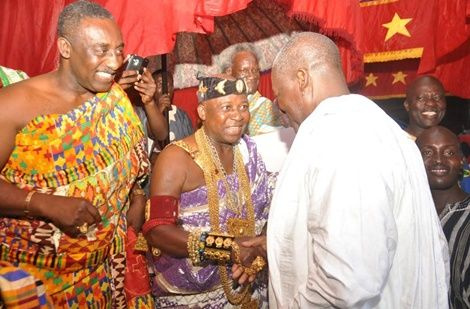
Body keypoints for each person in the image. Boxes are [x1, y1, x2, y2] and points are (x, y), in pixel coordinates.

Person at [254, 32, 449, 308]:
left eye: (280, 97)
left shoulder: (339, 134)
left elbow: (346, 282)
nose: (282, 111)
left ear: (301, 79)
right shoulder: (379, 126)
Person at [0, 1, 153, 307]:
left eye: (119, 50)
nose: (115, 61)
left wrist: (136, 197)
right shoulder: (13, 106)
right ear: (66, 48)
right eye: (101, 50)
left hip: (104, 273)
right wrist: (43, 204)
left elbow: (130, 158)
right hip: (36, 282)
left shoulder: (114, 96)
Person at [142, 75, 273, 308]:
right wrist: (229, 249)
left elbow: (266, 207)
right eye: (226, 107)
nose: (238, 115)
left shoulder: (249, 151)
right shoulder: (175, 159)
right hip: (191, 296)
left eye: (243, 106)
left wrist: (262, 247)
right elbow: (157, 230)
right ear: (202, 112)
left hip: (248, 288)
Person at [416, 126, 470, 308]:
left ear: (462, 160)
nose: (438, 160)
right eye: (427, 153)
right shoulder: (406, 217)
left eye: (449, 152)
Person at [222, 43, 284, 136]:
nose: (252, 76)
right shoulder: (220, 107)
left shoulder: (266, 108)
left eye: (255, 70)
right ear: (229, 72)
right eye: (245, 70)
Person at [404, 75, 446, 139]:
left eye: (437, 98)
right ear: (407, 105)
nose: (431, 103)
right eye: (421, 98)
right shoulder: (392, 145)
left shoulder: (452, 144)